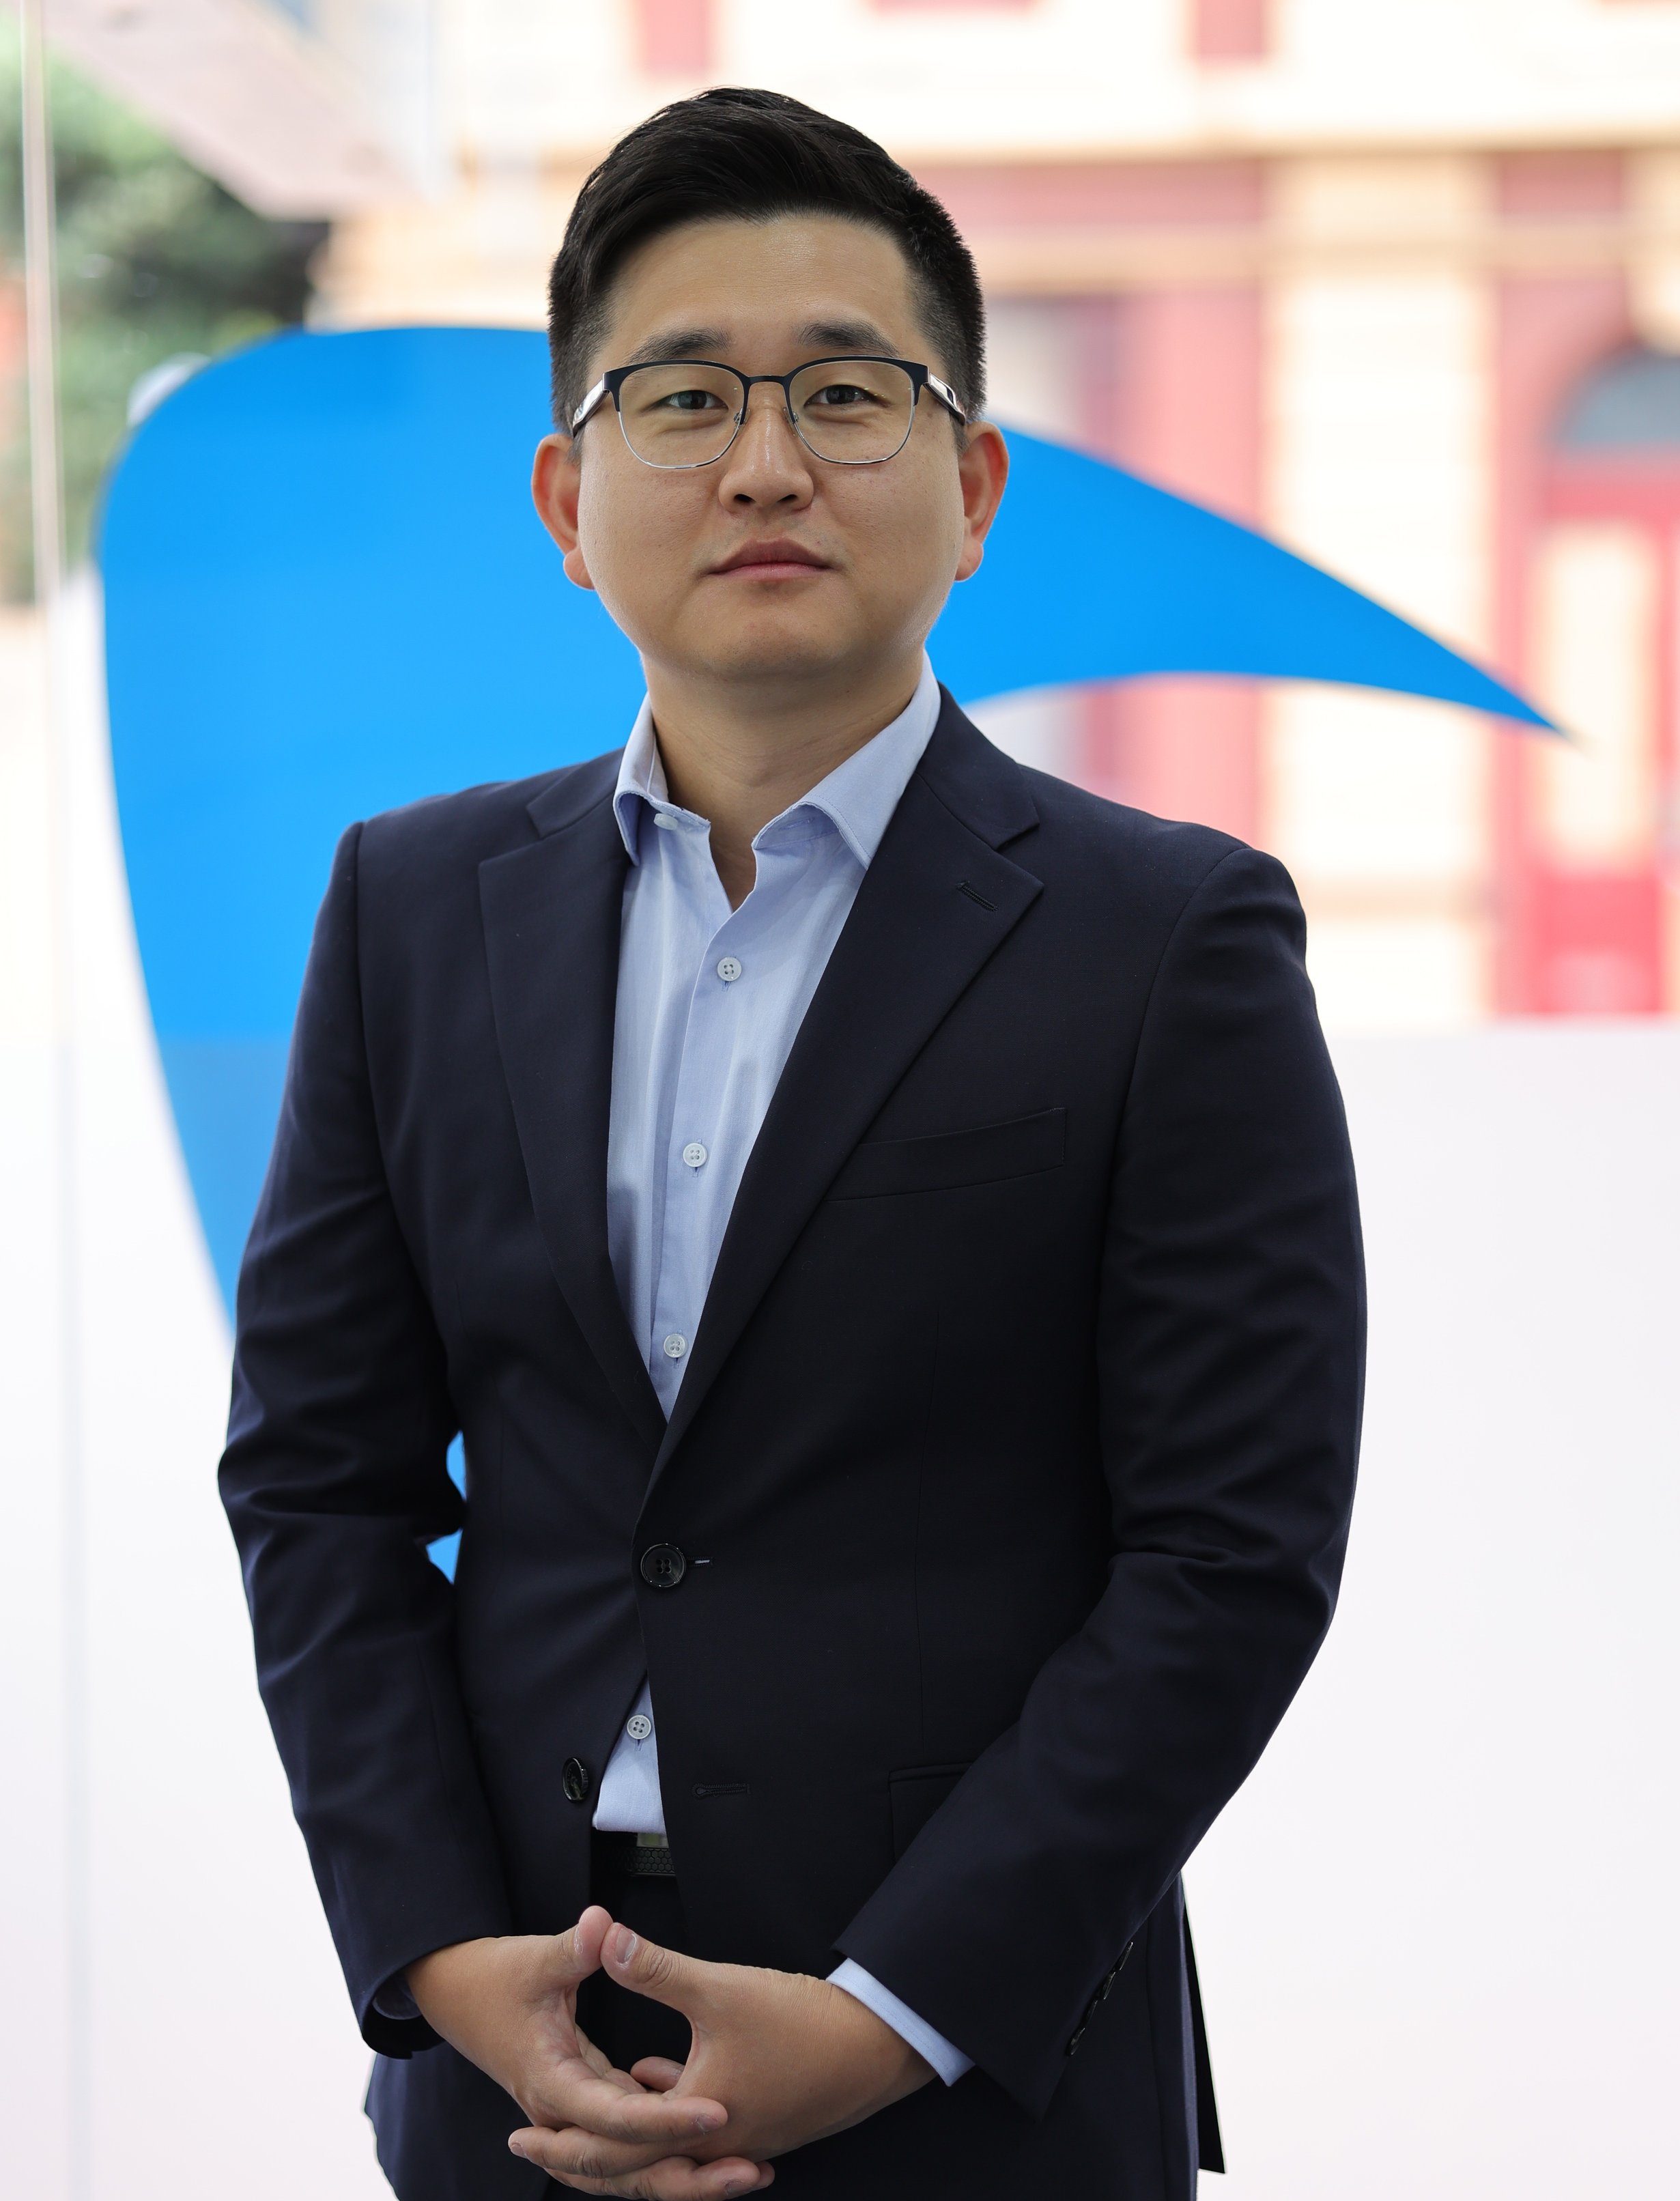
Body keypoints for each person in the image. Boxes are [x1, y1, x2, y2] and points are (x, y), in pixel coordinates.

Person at [220, 85, 1363, 2201]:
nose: (764, 464)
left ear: (973, 483)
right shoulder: (409, 908)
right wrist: (439, 1955)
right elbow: (318, 1483)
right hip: (515, 2071)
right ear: (568, 500)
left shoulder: (1167, 936)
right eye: (681, 399)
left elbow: (1229, 1554)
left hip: (977, 2075)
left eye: (845, 392)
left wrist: (884, 2016)